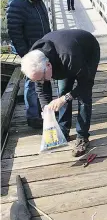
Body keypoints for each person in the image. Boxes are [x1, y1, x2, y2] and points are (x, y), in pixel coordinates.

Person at [20, 29, 100, 157]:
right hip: (63, 54)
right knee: (63, 90)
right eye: (37, 79)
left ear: (48, 65)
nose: (41, 82)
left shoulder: (68, 57)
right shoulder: (34, 60)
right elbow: (40, 88)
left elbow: (87, 84)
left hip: (87, 50)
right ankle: (63, 130)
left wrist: (65, 99)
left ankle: (82, 136)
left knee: (83, 97)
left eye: (42, 78)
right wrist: (45, 108)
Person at [6, 0, 51, 129]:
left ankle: (45, 111)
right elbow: (14, 32)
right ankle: (32, 116)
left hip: (43, 48)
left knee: (43, 82)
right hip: (30, 52)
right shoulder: (16, 3)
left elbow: (46, 25)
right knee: (31, 84)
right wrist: (25, 55)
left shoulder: (38, 1)